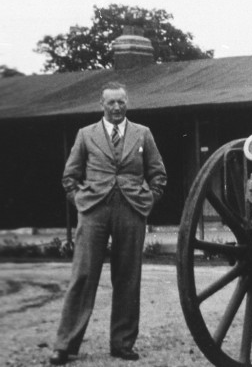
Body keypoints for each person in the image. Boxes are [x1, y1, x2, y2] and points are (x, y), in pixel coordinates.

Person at [49, 81, 166, 365]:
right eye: (111, 103)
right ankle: (65, 345)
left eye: (121, 102)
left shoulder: (143, 134)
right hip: (94, 210)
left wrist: (146, 201)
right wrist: (81, 202)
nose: (116, 108)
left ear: (127, 103)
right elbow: (70, 176)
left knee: (127, 278)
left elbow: (158, 174)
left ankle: (122, 343)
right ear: (102, 105)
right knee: (83, 276)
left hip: (131, 210)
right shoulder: (86, 135)